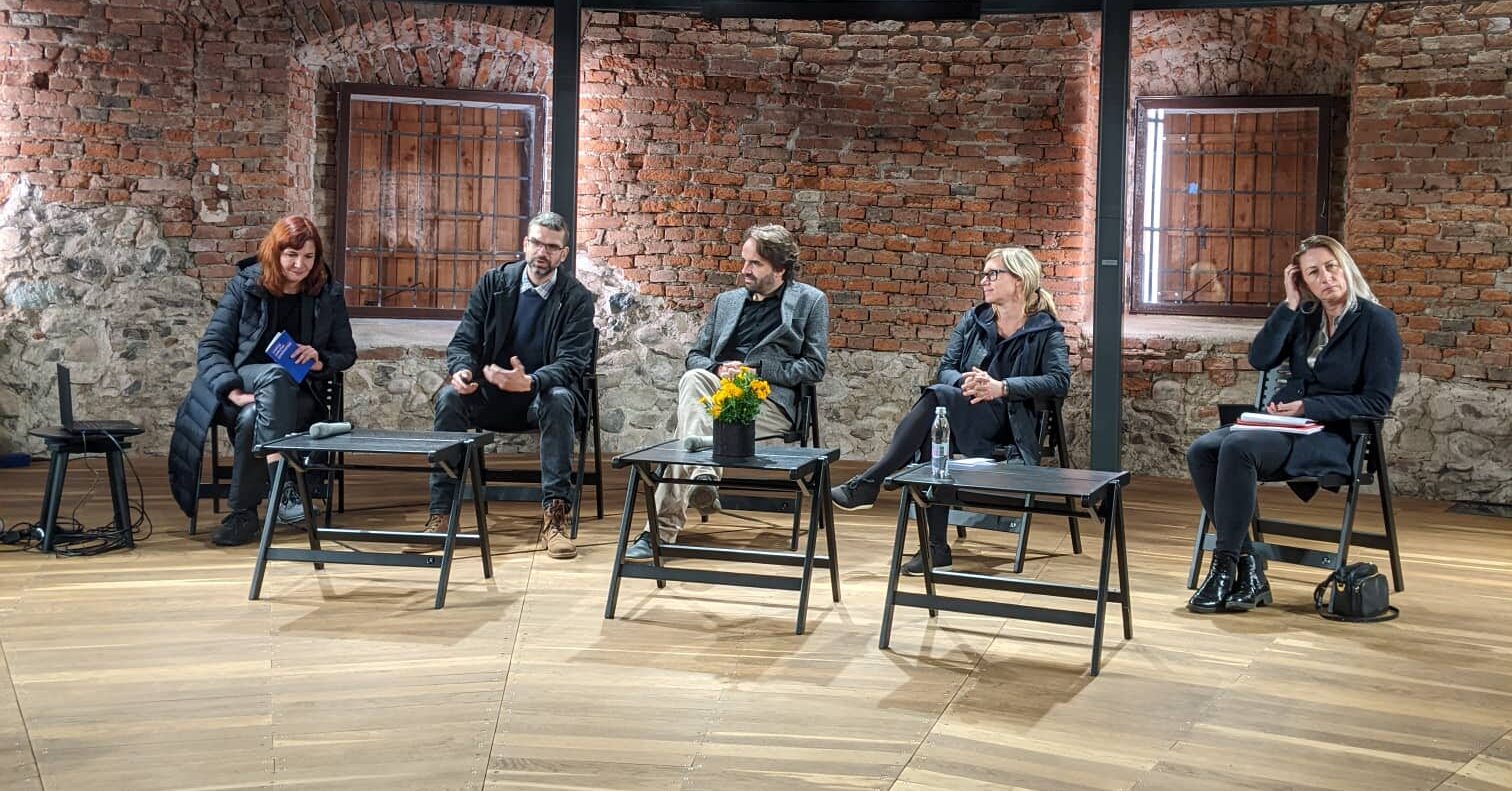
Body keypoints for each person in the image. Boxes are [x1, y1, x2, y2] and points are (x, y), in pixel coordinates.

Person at [1186, 235, 1403, 614]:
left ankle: (1223, 568)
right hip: (1288, 428)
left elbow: (1376, 402)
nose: (1326, 278)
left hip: (1336, 435)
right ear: (1303, 281)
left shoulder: (1377, 322)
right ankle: (1248, 565)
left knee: (1237, 446)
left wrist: (1308, 406)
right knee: (1202, 449)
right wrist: (1288, 304)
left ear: (1345, 267)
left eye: (1331, 267)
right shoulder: (1305, 317)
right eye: (1313, 273)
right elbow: (1260, 358)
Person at [829, 247, 1071, 575]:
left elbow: (1059, 381)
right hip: (967, 412)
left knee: (937, 404)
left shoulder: (1045, 329)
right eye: (984, 274)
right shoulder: (974, 320)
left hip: (1009, 426)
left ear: (1019, 280)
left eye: (992, 274)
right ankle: (934, 548)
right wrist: (964, 382)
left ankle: (872, 483)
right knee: (936, 420)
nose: (984, 281)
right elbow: (945, 368)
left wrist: (1002, 387)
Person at [623, 224, 829, 561]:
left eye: (755, 263)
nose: (745, 270)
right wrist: (719, 369)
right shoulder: (727, 302)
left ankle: (658, 532)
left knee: (686, 439)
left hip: (765, 401)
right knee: (694, 378)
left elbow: (813, 367)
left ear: (780, 268)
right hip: (717, 393)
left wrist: (756, 371)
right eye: (744, 261)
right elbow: (695, 356)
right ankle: (703, 475)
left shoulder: (810, 301)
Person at [168, 216, 357, 546]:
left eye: (308, 257)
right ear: (275, 252)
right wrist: (231, 390)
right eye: (291, 255)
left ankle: (243, 515)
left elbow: (346, 353)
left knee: (254, 415)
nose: (300, 265)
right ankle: (282, 487)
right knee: (273, 375)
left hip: (299, 396)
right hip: (243, 383)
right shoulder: (246, 285)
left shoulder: (327, 292)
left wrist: (320, 359)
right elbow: (211, 346)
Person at [416, 211, 594, 560]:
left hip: (539, 397)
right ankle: (442, 515)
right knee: (450, 397)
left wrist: (530, 381)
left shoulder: (576, 298)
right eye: (537, 243)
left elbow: (573, 362)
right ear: (525, 244)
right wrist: (462, 371)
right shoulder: (494, 284)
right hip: (491, 394)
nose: (542, 252)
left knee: (560, 399)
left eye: (552, 247)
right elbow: (463, 341)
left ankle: (555, 517)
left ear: (563, 254)